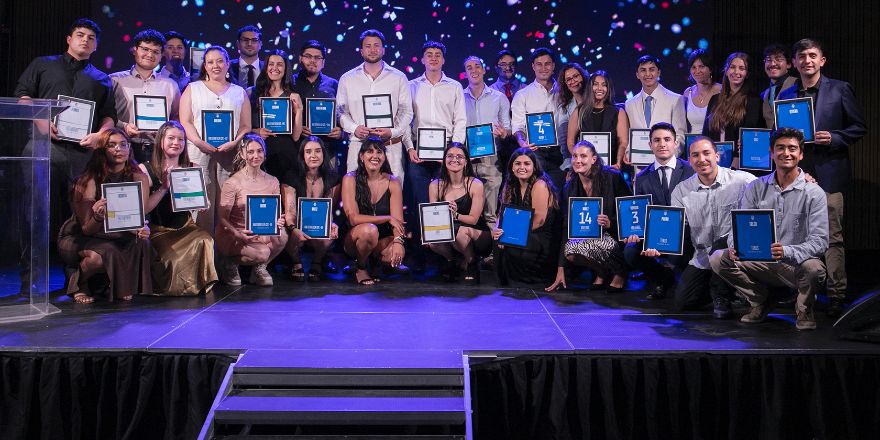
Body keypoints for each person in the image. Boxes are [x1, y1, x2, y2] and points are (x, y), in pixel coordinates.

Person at [778, 38, 866, 317]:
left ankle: (836, 294)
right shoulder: (788, 95)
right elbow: (781, 136)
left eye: (812, 55)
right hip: (797, 176)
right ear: (794, 63)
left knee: (832, 236)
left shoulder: (839, 89)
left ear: (822, 60)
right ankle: (801, 290)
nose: (807, 60)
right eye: (801, 56)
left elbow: (858, 127)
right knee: (794, 233)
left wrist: (836, 137)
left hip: (830, 174)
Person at [710, 128, 828, 330]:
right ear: (772, 153)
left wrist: (786, 251)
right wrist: (735, 245)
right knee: (718, 258)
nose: (786, 153)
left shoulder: (814, 193)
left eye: (792, 148)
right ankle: (760, 302)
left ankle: (804, 309)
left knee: (815, 269)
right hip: (760, 260)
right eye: (780, 148)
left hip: (794, 265)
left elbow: (820, 241)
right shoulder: (756, 187)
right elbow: (737, 227)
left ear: (801, 154)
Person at [14, 18, 117, 215]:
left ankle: (71, 246)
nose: (85, 40)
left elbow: (109, 115)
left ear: (95, 46)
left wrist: (99, 136)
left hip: (82, 153)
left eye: (91, 38)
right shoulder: (43, 64)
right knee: (36, 206)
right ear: (69, 39)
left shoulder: (102, 79)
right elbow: (22, 96)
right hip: (42, 145)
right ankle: (38, 247)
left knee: (78, 210)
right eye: (80, 35)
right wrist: (40, 119)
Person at [658, 137, 755, 317]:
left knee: (721, 243)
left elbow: (769, 187)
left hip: (734, 254)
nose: (701, 159)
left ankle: (722, 296)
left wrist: (803, 177)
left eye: (706, 153)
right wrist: (658, 244)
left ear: (717, 156)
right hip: (702, 256)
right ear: (689, 161)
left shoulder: (742, 180)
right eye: (695, 155)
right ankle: (724, 289)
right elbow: (672, 229)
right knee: (682, 302)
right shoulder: (681, 191)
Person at [56, 128, 151, 303]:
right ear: (102, 150)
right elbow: (86, 229)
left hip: (115, 234)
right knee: (104, 254)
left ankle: (118, 285)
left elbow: (137, 217)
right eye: (112, 145)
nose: (118, 149)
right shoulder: (89, 180)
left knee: (142, 242)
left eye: (123, 144)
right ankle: (79, 283)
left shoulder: (139, 177)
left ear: (129, 148)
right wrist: (98, 216)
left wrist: (142, 229)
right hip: (80, 236)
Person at [404, 41, 467, 269]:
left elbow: (460, 120)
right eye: (428, 55)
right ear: (422, 59)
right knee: (420, 201)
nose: (433, 58)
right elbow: (404, 120)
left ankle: (444, 255)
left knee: (444, 201)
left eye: (437, 55)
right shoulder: (410, 86)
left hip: (447, 151)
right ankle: (421, 254)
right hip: (417, 151)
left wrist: (453, 151)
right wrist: (410, 147)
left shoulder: (454, 86)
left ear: (443, 59)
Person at [139, 121, 217, 295]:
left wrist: (204, 204)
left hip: (186, 227)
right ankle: (179, 288)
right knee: (172, 258)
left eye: (180, 139)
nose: (176, 143)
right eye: (171, 138)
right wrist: (164, 187)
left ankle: (198, 286)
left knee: (206, 240)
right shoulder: (146, 169)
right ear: (160, 140)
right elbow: (144, 209)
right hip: (159, 230)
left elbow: (201, 200)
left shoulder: (193, 168)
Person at [179, 46, 251, 235]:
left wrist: (234, 142)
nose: (215, 65)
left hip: (229, 153)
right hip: (198, 152)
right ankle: (202, 255)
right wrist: (199, 142)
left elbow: (246, 126)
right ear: (205, 65)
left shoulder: (239, 92)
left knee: (227, 204)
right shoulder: (193, 88)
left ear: (228, 64)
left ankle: (225, 257)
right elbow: (184, 121)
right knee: (201, 203)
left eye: (220, 61)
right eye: (210, 62)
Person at [546, 141, 631, 293]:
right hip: (589, 235)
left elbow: (630, 211)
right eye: (575, 156)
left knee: (599, 243)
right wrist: (560, 270)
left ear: (594, 159)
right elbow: (567, 225)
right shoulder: (570, 186)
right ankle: (602, 272)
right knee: (570, 250)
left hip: (615, 234)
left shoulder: (612, 177)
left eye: (583, 156)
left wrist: (611, 223)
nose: (578, 160)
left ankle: (620, 273)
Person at [625, 122, 695, 299]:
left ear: (675, 143)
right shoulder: (641, 177)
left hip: (687, 234)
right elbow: (640, 214)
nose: (662, 144)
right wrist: (638, 234)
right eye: (656, 140)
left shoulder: (691, 170)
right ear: (650, 145)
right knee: (631, 250)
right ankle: (662, 278)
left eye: (666, 139)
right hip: (654, 236)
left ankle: (681, 276)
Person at [337, 29, 413, 181]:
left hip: (390, 146)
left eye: (376, 45)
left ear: (383, 49)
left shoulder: (398, 77)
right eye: (368, 46)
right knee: (357, 194)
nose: (372, 49)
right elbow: (341, 112)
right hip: (359, 145)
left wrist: (393, 131)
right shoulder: (347, 78)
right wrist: (354, 128)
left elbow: (407, 112)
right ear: (361, 51)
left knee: (391, 196)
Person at [215, 134, 288, 286]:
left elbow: (274, 212)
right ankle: (229, 263)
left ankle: (259, 269)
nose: (256, 155)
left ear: (264, 153)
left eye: (259, 151)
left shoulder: (273, 180)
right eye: (250, 152)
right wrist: (238, 233)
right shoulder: (232, 182)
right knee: (262, 253)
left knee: (283, 236)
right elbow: (222, 218)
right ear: (242, 154)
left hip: (260, 232)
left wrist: (278, 220)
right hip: (235, 233)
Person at [340, 137, 406, 285]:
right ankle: (361, 266)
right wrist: (387, 218)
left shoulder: (393, 182)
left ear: (384, 157)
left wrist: (398, 242)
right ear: (361, 156)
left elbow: (398, 221)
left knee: (393, 255)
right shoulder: (350, 179)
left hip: (381, 240)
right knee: (369, 230)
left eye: (379, 152)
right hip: (357, 238)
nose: (375, 156)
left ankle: (375, 262)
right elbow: (353, 219)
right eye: (369, 151)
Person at [110, 29, 181, 163]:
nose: (150, 55)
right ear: (135, 50)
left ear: (161, 55)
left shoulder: (170, 85)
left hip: (159, 150)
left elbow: (177, 117)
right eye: (145, 49)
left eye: (156, 52)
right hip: (124, 147)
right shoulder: (115, 80)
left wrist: (166, 131)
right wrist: (124, 126)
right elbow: (106, 114)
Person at [491, 147, 560, 286]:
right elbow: (502, 214)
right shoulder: (509, 185)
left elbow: (539, 220)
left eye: (527, 164)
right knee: (497, 239)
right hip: (521, 231)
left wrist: (511, 235)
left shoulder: (540, 184)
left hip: (540, 235)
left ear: (534, 167)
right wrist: (497, 229)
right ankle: (508, 280)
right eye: (517, 163)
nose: (522, 167)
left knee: (510, 243)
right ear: (512, 166)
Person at [427, 143, 491, 284]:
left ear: (466, 161)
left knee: (459, 231)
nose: (454, 159)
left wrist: (455, 215)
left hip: (476, 232)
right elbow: (433, 216)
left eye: (459, 157)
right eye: (450, 156)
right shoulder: (435, 185)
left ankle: (471, 262)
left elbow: (474, 219)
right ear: (444, 160)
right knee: (432, 241)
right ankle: (452, 261)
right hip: (450, 231)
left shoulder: (475, 184)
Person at [281, 136, 340, 281]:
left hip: (318, 226)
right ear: (302, 156)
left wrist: (331, 224)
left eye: (317, 151)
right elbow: (289, 212)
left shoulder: (332, 178)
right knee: (287, 231)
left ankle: (317, 261)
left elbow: (329, 211)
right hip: (296, 226)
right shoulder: (291, 176)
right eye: (308, 152)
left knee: (330, 233)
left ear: (323, 154)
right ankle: (296, 262)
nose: (313, 156)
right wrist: (294, 229)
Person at [462, 55, 510, 230]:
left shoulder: (499, 97)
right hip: (465, 157)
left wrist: (503, 132)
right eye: (469, 68)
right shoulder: (459, 96)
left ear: (484, 69)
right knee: (467, 210)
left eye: (477, 66)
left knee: (491, 211)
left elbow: (508, 129)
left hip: (491, 157)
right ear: (465, 72)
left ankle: (494, 253)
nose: (474, 70)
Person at [511, 47, 565, 190]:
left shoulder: (565, 92)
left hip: (560, 153)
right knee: (536, 194)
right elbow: (518, 126)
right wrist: (522, 143)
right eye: (539, 64)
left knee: (558, 198)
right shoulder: (523, 95)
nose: (543, 68)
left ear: (553, 66)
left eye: (547, 64)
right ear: (533, 66)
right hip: (535, 153)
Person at [248, 49, 304, 180]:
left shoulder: (293, 96)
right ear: (266, 67)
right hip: (260, 151)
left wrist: (299, 110)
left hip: (286, 153)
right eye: (271, 64)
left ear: (286, 69)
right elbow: (243, 126)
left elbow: (296, 136)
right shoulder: (252, 93)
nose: (274, 68)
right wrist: (256, 131)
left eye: (279, 64)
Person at [702, 52, 765, 168]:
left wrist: (736, 160)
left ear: (747, 74)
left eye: (742, 68)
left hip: (738, 164)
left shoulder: (753, 101)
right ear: (726, 71)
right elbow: (705, 133)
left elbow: (750, 135)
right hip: (713, 162)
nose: (736, 72)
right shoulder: (714, 100)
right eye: (732, 67)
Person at [292, 40, 344, 172]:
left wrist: (341, 132)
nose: (312, 60)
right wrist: (296, 128)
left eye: (317, 57)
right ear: (300, 59)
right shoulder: (290, 83)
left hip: (328, 149)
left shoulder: (333, 84)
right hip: (298, 149)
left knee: (329, 189)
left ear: (323, 62)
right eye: (308, 56)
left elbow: (343, 114)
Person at [568, 70, 630, 170]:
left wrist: (618, 162)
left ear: (608, 88)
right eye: (595, 84)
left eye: (604, 85)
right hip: (585, 169)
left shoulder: (618, 112)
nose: (599, 88)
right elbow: (570, 141)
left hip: (610, 167)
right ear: (590, 87)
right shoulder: (580, 111)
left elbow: (623, 142)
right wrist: (578, 158)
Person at [624, 55, 686, 146]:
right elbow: (630, 137)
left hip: (665, 158)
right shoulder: (630, 104)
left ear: (658, 72)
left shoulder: (676, 100)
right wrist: (628, 154)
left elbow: (680, 136)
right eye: (643, 70)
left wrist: (667, 157)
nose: (648, 74)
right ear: (637, 74)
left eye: (652, 69)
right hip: (638, 159)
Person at [554, 63, 588, 172]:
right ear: (565, 84)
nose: (572, 81)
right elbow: (564, 139)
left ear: (583, 76)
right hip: (576, 159)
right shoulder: (564, 108)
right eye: (568, 79)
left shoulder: (597, 101)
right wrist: (570, 163)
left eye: (576, 76)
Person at [681, 49, 721, 135]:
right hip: (691, 144)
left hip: (713, 143)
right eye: (694, 67)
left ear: (710, 69)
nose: (697, 71)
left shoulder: (721, 90)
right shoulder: (688, 93)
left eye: (701, 66)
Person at [760, 43, 797, 129]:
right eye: (768, 60)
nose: (773, 64)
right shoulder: (763, 94)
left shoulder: (798, 85)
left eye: (778, 59)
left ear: (789, 64)